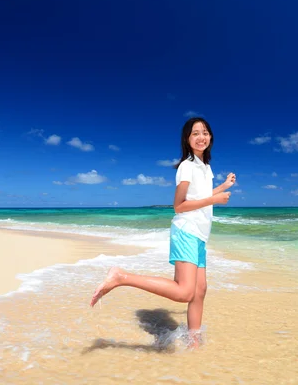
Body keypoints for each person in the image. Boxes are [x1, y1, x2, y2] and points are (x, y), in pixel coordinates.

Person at [89, 117, 236, 348]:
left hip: (199, 234)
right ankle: (121, 277)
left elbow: (200, 196)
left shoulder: (205, 166)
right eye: (195, 133)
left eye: (205, 132)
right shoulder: (187, 166)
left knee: (200, 290)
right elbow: (179, 205)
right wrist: (215, 198)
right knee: (185, 293)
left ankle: (194, 341)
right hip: (186, 230)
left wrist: (222, 187)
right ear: (187, 139)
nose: (201, 137)